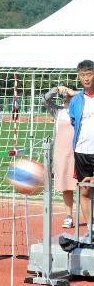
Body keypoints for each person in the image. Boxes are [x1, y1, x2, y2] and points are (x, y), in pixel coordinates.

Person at [44, 85, 79, 228]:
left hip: (79, 151)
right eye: (64, 94)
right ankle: (69, 216)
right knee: (67, 186)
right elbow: (44, 100)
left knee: (85, 187)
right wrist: (56, 89)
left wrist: (74, 93)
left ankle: (91, 218)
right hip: (62, 152)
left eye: (69, 94)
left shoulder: (81, 110)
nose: (66, 97)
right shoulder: (58, 111)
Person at [68, 60, 94, 239]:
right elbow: (73, 121)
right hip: (82, 151)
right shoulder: (76, 100)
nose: (86, 78)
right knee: (84, 190)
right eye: (83, 75)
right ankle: (91, 229)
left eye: (89, 74)